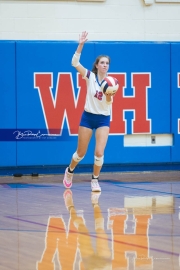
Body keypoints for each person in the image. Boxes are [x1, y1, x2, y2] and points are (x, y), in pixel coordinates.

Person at [63, 31, 116, 192]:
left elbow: (108, 103)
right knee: (80, 153)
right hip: (88, 117)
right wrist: (81, 44)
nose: (105, 65)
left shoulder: (112, 82)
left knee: (99, 152)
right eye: (102, 63)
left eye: (107, 63)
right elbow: (74, 62)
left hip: (103, 119)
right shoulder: (90, 77)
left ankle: (95, 180)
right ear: (97, 65)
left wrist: (109, 95)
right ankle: (69, 171)